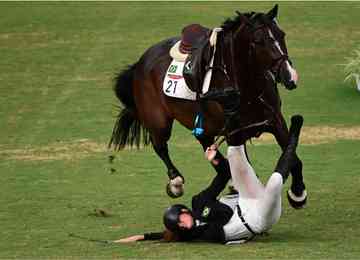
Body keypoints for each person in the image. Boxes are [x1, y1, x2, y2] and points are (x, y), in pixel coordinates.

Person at [114, 115, 304, 244]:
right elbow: (152, 237)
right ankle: (294, 134)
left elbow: (224, 175)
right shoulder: (190, 235)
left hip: (247, 200)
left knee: (233, 151)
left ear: (185, 210)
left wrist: (214, 159)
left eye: (180, 219)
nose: (182, 224)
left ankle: (233, 113)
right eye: (178, 226)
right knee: (275, 183)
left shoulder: (200, 201)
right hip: (258, 219)